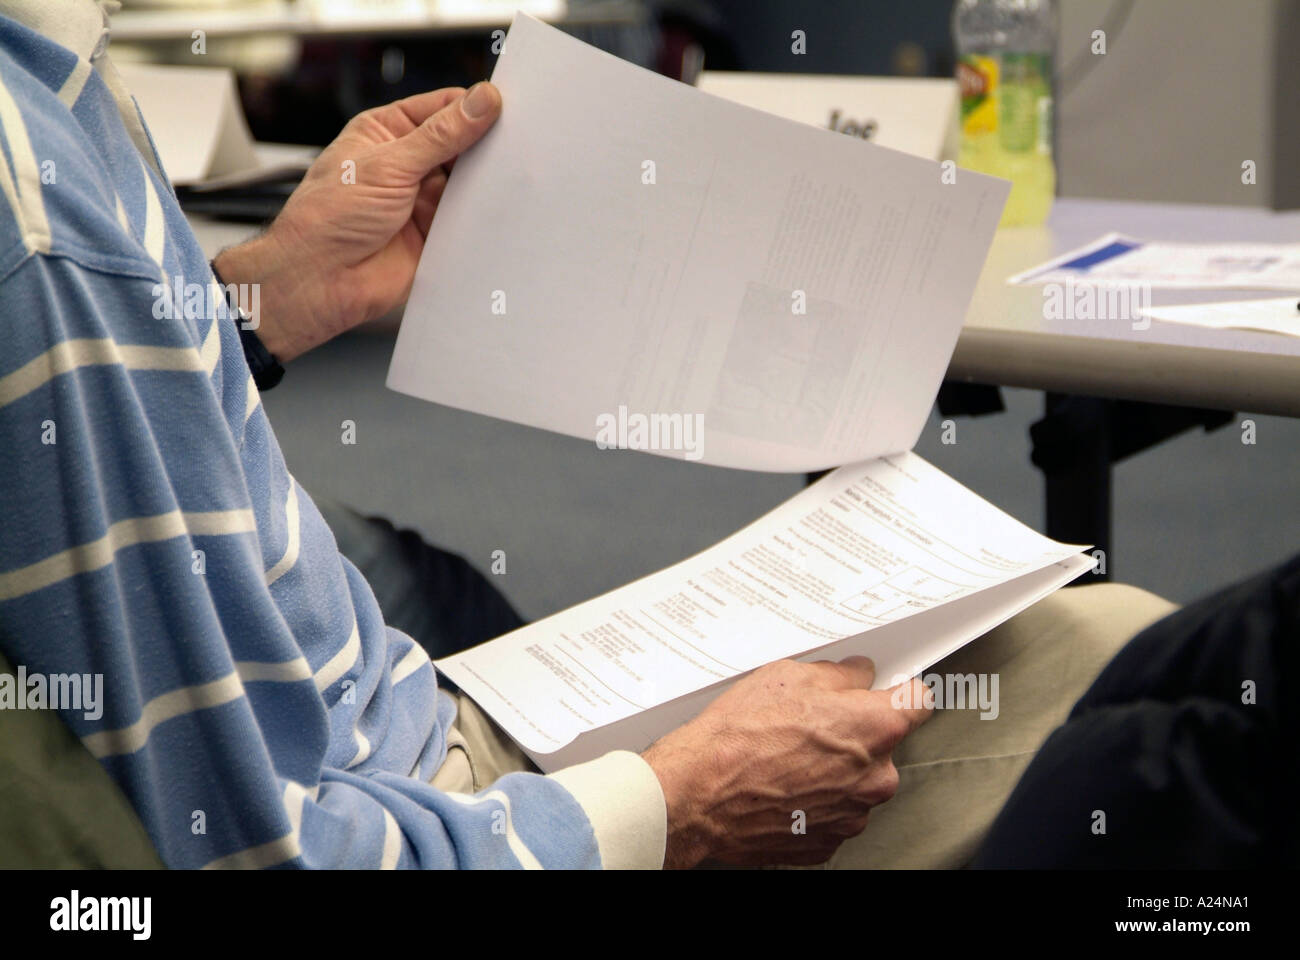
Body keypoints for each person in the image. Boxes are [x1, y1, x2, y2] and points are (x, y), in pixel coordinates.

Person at [0, 0, 1174, 869]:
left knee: (1105, 652)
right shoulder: (43, 224)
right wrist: (682, 799)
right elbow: (259, 854)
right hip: (443, 809)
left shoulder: (57, 80)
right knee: (1149, 701)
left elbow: (118, 441)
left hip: (402, 718)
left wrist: (258, 302)